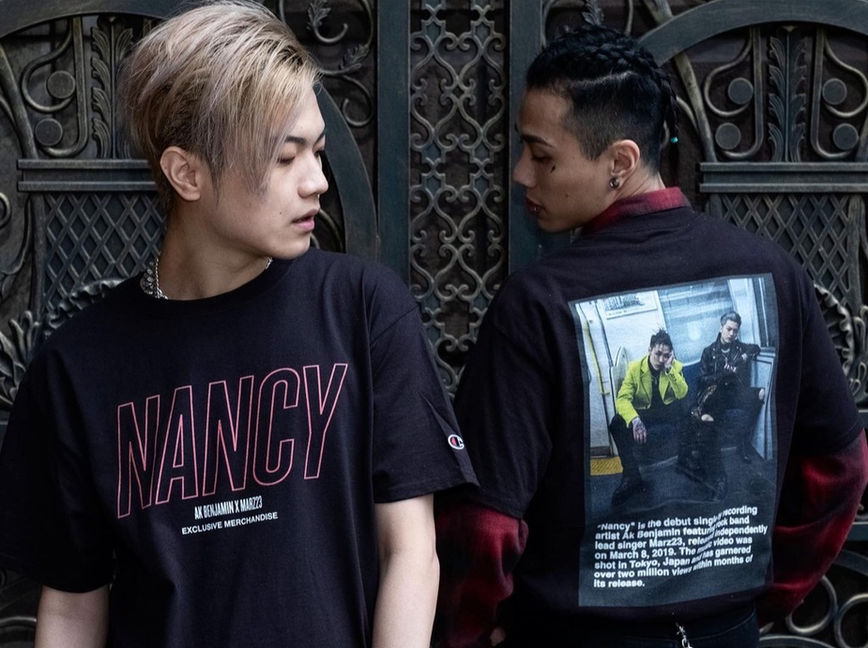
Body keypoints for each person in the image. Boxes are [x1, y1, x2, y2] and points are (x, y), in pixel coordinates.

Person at [0, 2, 475, 646]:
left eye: (319, 151)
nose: (317, 182)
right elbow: (73, 605)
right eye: (285, 158)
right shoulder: (79, 368)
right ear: (186, 173)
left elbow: (410, 552)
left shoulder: (362, 311)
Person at [435, 20, 867, 648]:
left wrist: (469, 633)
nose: (522, 174)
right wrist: (766, 594)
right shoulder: (774, 271)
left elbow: (483, 529)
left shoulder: (536, 303)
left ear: (621, 162)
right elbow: (842, 467)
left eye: (542, 155)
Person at [608, 329, 689, 506]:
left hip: (666, 410)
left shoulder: (674, 367)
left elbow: (682, 393)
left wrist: (670, 370)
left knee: (687, 409)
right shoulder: (635, 368)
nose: (661, 359)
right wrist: (635, 420)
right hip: (644, 412)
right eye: (658, 354)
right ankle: (631, 476)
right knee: (616, 423)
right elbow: (622, 399)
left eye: (666, 356)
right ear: (649, 350)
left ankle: (686, 461)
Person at [692, 311, 766, 461]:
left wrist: (743, 358)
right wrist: (722, 374)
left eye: (735, 331)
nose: (732, 334)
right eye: (729, 329)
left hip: (734, 393)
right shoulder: (709, 351)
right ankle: (709, 455)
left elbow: (755, 348)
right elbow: (701, 380)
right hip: (716, 395)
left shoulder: (738, 348)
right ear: (721, 328)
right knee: (706, 417)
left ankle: (743, 442)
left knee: (761, 393)